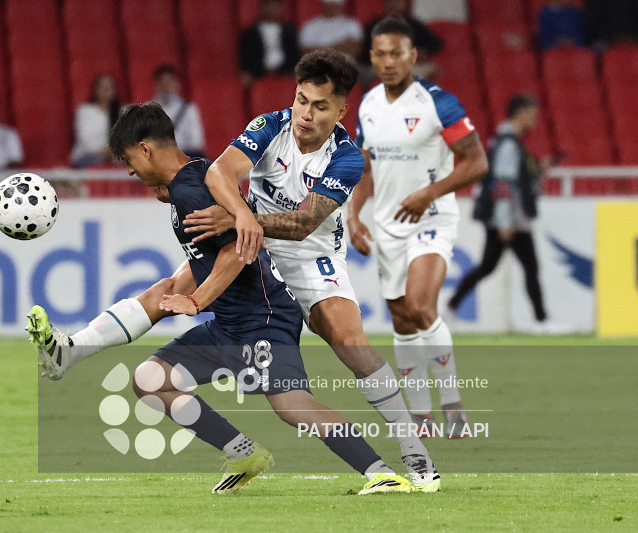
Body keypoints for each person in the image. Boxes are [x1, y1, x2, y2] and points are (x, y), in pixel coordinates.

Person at [30, 50, 440, 492]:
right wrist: (240, 216)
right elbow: (220, 172)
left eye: (319, 106)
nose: (305, 114)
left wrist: (238, 227)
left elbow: (304, 223)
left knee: (350, 345)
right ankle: (72, 350)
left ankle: (411, 448)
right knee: (165, 293)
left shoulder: (346, 158)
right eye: (301, 100)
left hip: (308, 255)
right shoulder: (269, 126)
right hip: (249, 242)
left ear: (340, 111)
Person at [349, 16, 489, 437]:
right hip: (388, 225)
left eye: (397, 53)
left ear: (412, 55)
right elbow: (366, 170)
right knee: (401, 319)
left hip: (432, 218)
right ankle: (422, 417)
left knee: (421, 306)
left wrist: (430, 192)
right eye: (380, 54)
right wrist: (354, 216)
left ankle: (454, 408)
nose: (388, 62)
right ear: (371, 57)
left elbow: (477, 162)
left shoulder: (437, 102)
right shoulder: (368, 105)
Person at [449, 94, 555, 331]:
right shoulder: (509, 144)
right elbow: (503, 186)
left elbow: (512, 180)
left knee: (490, 266)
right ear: (522, 113)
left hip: (506, 218)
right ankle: (542, 321)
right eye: (533, 114)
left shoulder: (506, 142)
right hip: (509, 220)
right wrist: (506, 222)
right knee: (528, 266)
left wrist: (537, 171)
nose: (535, 120)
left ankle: (451, 306)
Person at [361, 0, 443, 81]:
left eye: (398, 1)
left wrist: (422, 52)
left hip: (410, 65)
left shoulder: (414, 24)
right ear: (385, 3)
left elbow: (435, 43)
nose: (394, 4)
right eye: (391, 2)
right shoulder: (375, 24)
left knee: (434, 71)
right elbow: (366, 51)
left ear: (404, 4)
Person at [238, 0, 300, 86]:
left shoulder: (290, 31)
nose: (272, 9)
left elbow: (293, 54)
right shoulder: (250, 33)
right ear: (263, 8)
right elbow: (248, 56)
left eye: (274, 6)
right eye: (269, 6)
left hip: (286, 71)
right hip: (258, 72)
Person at [151, 65, 206, 159]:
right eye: (163, 82)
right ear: (157, 85)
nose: (167, 86)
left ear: (177, 84)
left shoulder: (189, 109)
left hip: (184, 158)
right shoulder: (149, 111)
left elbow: (196, 142)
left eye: (170, 81)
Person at [70, 73, 121, 168]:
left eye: (109, 88)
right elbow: (84, 140)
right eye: (102, 87)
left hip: (115, 156)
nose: (106, 91)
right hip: (89, 155)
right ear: (96, 90)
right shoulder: (85, 111)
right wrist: (106, 151)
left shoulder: (122, 112)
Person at [298, 0, 363, 58]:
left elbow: (355, 48)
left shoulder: (352, 24)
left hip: (346, 65)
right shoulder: (310, 26)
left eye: (335, 4)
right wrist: (341, 46)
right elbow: (305, 51)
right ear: (323, 4)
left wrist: (319, 49)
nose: (332, 7)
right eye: (330, 4)